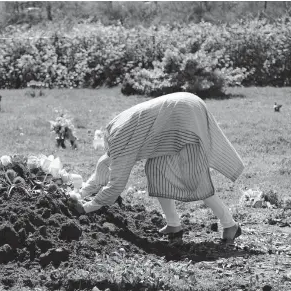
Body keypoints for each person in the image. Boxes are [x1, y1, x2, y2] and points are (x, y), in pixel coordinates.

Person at [70, 92, 244, 243]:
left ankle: (230, 225)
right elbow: (103, 168)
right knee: (157, 170)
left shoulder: (121, 144)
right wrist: (82, 193)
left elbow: (116, 185)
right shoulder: (115, 133)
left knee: (195, 179)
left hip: (185, 116)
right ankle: (173, 224)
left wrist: (86, 208)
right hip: (173, 115)